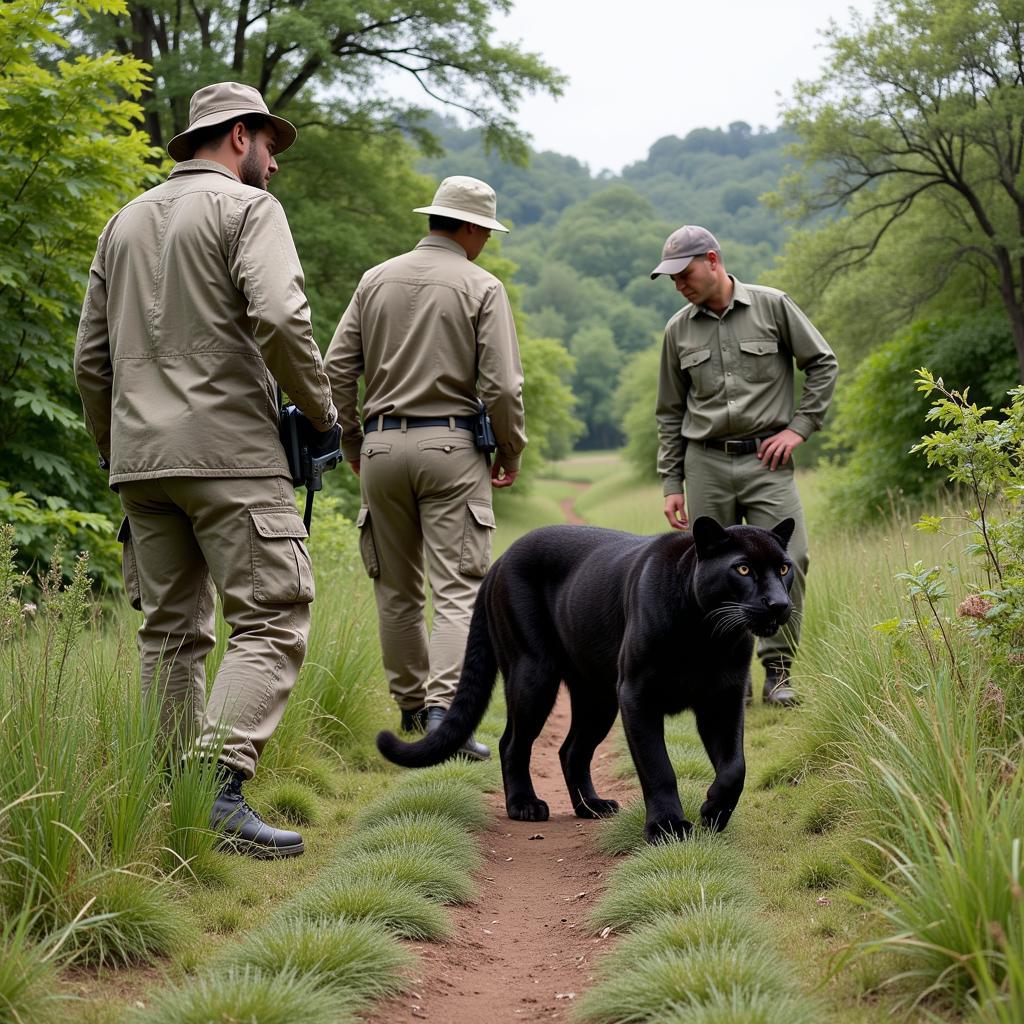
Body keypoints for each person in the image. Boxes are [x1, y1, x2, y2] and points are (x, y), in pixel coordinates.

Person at [75, 82, 339, 858]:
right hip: (229, 454)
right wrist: (320, 413)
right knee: (273, 612)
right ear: (239, 137)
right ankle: (220, 787)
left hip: (140, 462)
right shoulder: (248, 211)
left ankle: (173, 798)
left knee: (170, 632)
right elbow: (283, 318)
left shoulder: (121, 223)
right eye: (270, 148)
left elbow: (90, 360)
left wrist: (115, 449)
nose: (275, 167)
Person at [324, 176, 527, 758]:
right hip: (451, 450)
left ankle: (412, 708)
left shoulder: (374, 280)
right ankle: (444, 716)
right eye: (484, 230)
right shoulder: (481, 286)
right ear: (467, 227)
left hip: (383, 450)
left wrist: (355, 442)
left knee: (395, 589)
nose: (486, 241)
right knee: (459, 587)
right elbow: (503, 386)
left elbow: (336, 369)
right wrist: (509, 450)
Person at [652, 225, 838, 706]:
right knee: (706, 572)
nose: (679, 285)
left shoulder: (773, 305)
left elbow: (822, 363)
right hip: (705, 463)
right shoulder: (678, 329)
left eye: (684, 273)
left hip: (766, 460)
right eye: (671, 278)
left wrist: (799, 428)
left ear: (712, 261)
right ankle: (722, 675)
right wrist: (673, 481)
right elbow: (670, 411)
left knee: (789, 558)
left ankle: (778, 672)